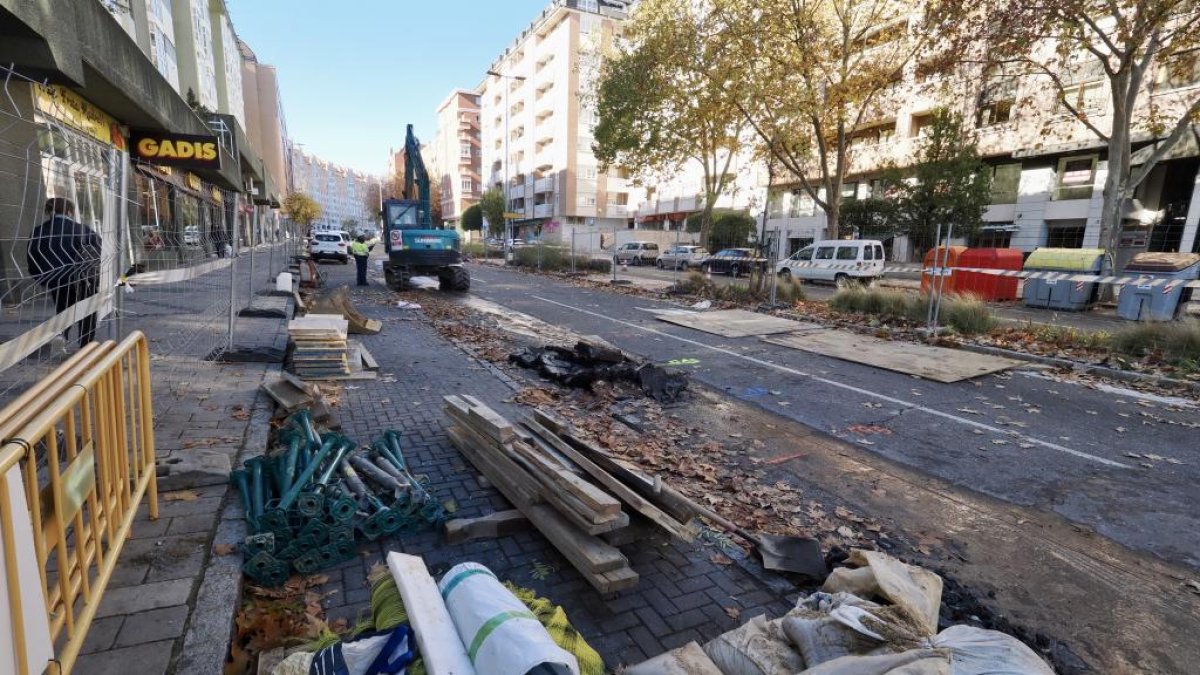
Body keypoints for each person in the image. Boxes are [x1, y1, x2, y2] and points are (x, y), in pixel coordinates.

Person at [27, 197, 103, 348]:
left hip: (55, 279)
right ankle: (86, 345)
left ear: (49, 212)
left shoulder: (38, 231)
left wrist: (41, 277)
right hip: (82, 279)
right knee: (88, 311)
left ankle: (62, 335)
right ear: (70, 211)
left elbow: (32, 256)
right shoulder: (81, 229)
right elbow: (99, 251)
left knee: (63, 308)